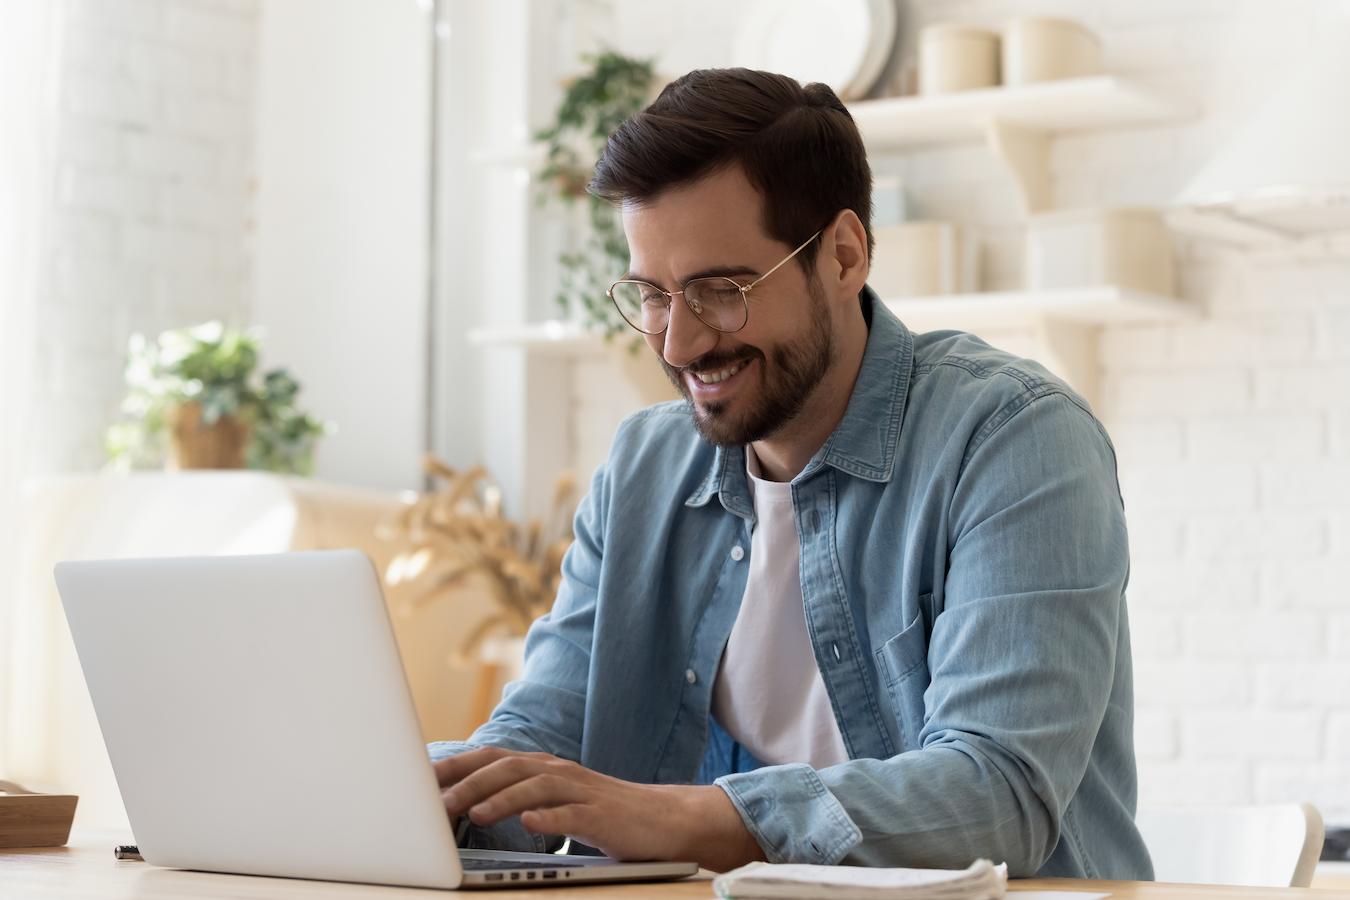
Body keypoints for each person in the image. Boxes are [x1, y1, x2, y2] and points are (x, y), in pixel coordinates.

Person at [429, 67, 1152, 880]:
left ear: (843, 256)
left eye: (720, 290)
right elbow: (542, 731)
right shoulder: (644, 466)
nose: (677, 345)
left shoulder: (1014, 439)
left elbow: (1000, 794)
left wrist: (673, 816)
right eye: (653, 295)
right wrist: (426, 797)